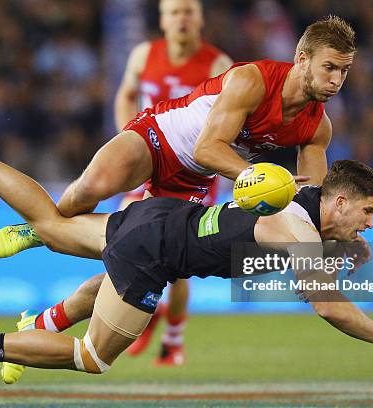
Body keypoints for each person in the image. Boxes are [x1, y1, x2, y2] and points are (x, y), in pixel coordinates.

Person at [0, 14, 355, 379]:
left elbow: (310, 199)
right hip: (159, 137)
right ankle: (37, 230)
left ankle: (40, 322)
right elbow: (208, 147)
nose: (336, 80)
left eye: (344, 71)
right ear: (302, 59)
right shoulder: (252, 80)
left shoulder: (317, 127)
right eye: (329, 68)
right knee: (89, 189)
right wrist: (255, 176)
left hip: (193, 180)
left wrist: (320, 244)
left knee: (139, 260)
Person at [0, 122, 373, 374]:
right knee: (94, 357)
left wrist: (346, 244)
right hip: (156, 252)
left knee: (53, 225)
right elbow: (329, 305)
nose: (370, 224)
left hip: (162, 216)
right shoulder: (301, 232)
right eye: (367, 213)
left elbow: (307, 210)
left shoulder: (302, 190)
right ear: (337, 203)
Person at [112, 0, 232, 366]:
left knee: (179, 261)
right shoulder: (143, 55)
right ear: (162, 20)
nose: (182, 18)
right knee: (122, 232)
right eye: (174, 12)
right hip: (150, 159)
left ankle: (173, 339)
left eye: (188, 11)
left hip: (193, 170)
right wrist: (127, 139)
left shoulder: (219, 65)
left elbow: (230, 121)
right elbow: (126, 94)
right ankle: (145, 313)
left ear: (200, 19)